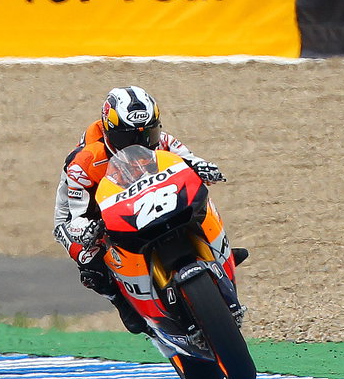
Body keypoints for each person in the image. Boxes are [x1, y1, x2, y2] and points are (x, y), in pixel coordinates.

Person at [54, 86, 231, 334]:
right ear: (109, 132)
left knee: (195, 201)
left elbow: (192, 161)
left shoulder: (162, 140)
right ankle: (120, 300)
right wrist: (85, 227)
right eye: (128, 138)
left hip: (140, 189)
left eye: (147, 133)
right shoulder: (83, 163)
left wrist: (205, 168)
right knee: (89, 256)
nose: (139, 143)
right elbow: (76, 216)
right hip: (85, 208)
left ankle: (217, 252)